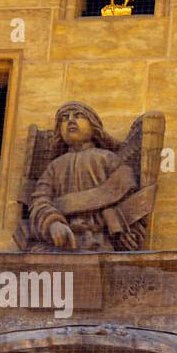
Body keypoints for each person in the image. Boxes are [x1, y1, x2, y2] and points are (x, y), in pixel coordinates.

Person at [27, 102, 146, 251]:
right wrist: (52, 223)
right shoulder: (54, 167)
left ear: (93, 126)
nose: (70, 120)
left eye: (78, 116)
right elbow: (40, 201)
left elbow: (128, 199)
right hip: (64, 242)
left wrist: (126, 232)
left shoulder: (108, 159)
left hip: (100, 240)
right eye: (64, 118)